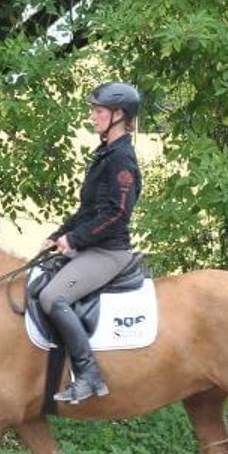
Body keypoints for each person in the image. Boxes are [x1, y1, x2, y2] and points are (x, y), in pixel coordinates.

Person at [38, 81, 143, 404]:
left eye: (98, 111)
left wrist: (76, 238)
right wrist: (58, 235)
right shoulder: (104, 154)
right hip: (92, 246)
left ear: (118, 115)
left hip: (108, 252)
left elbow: (116, 215)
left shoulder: (121, 159)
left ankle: (88, 376)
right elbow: (87, 210)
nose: (93, 117)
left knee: (53, 297)